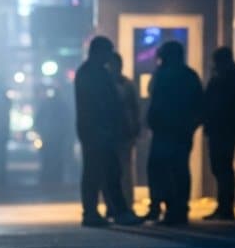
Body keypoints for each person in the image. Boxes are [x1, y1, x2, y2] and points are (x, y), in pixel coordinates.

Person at [74, 36, 140, 227]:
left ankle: (102, 211)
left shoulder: (89, 72)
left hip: (96, 131)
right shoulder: (94, 74)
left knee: (103, 172)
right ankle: (109, 211)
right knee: (103, 172)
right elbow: (103, 104)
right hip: (98, 131)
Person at [144, 41, 203, 225]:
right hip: (181, 131)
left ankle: (161, 206)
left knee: (159, 169)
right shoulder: (190, 76)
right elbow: (199, 105)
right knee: (179, 170)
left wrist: (152, 122)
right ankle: (178, 208)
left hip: (164, 130)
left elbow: (155, 100)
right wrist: (191, 125)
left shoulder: (162, 75)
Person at [202, 47, 235, 220]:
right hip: (224, 127)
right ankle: (224, 206)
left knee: (222, 167)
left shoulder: (229, 78)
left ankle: (226, 206)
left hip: (224, 127)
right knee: (221, 167)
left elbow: (213, 101)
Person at [107, 52, 140, 213]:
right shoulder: (124, 84)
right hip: (114, 133)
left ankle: (124, 204)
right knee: (116, 171)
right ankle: (116, 205)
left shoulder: (125, 84)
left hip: (122, 133)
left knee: (124, 171)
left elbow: (134, 108)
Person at [36, 86, 72, 187]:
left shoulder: (52, 105)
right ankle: (52, 178)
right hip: (52, 137)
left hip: (54, 137)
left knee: (51, 159)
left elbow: (38, 120)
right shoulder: (59, 105)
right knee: (51, 159)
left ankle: (51, 178)